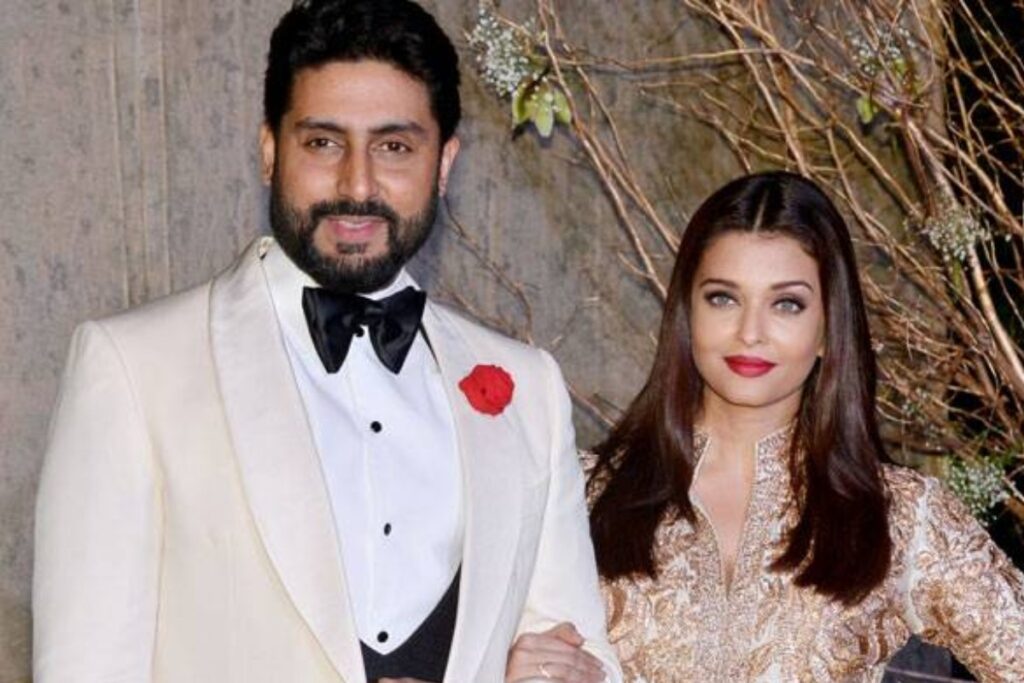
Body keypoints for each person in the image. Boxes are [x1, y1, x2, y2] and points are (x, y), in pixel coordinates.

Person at [32, 2, 621, 682]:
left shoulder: (529, 389)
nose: (357, 185)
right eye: (323, 143)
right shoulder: (134, 368)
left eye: (394, 147)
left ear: (445, 163)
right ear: (269, 151)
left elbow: (582, 656)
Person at [507, 172, 1024, 681]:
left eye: (786, 304)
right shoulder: (581, 495)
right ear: (687, 313)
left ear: (828, 329)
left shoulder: (902, 514)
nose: (750, 332)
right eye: (723, 298)